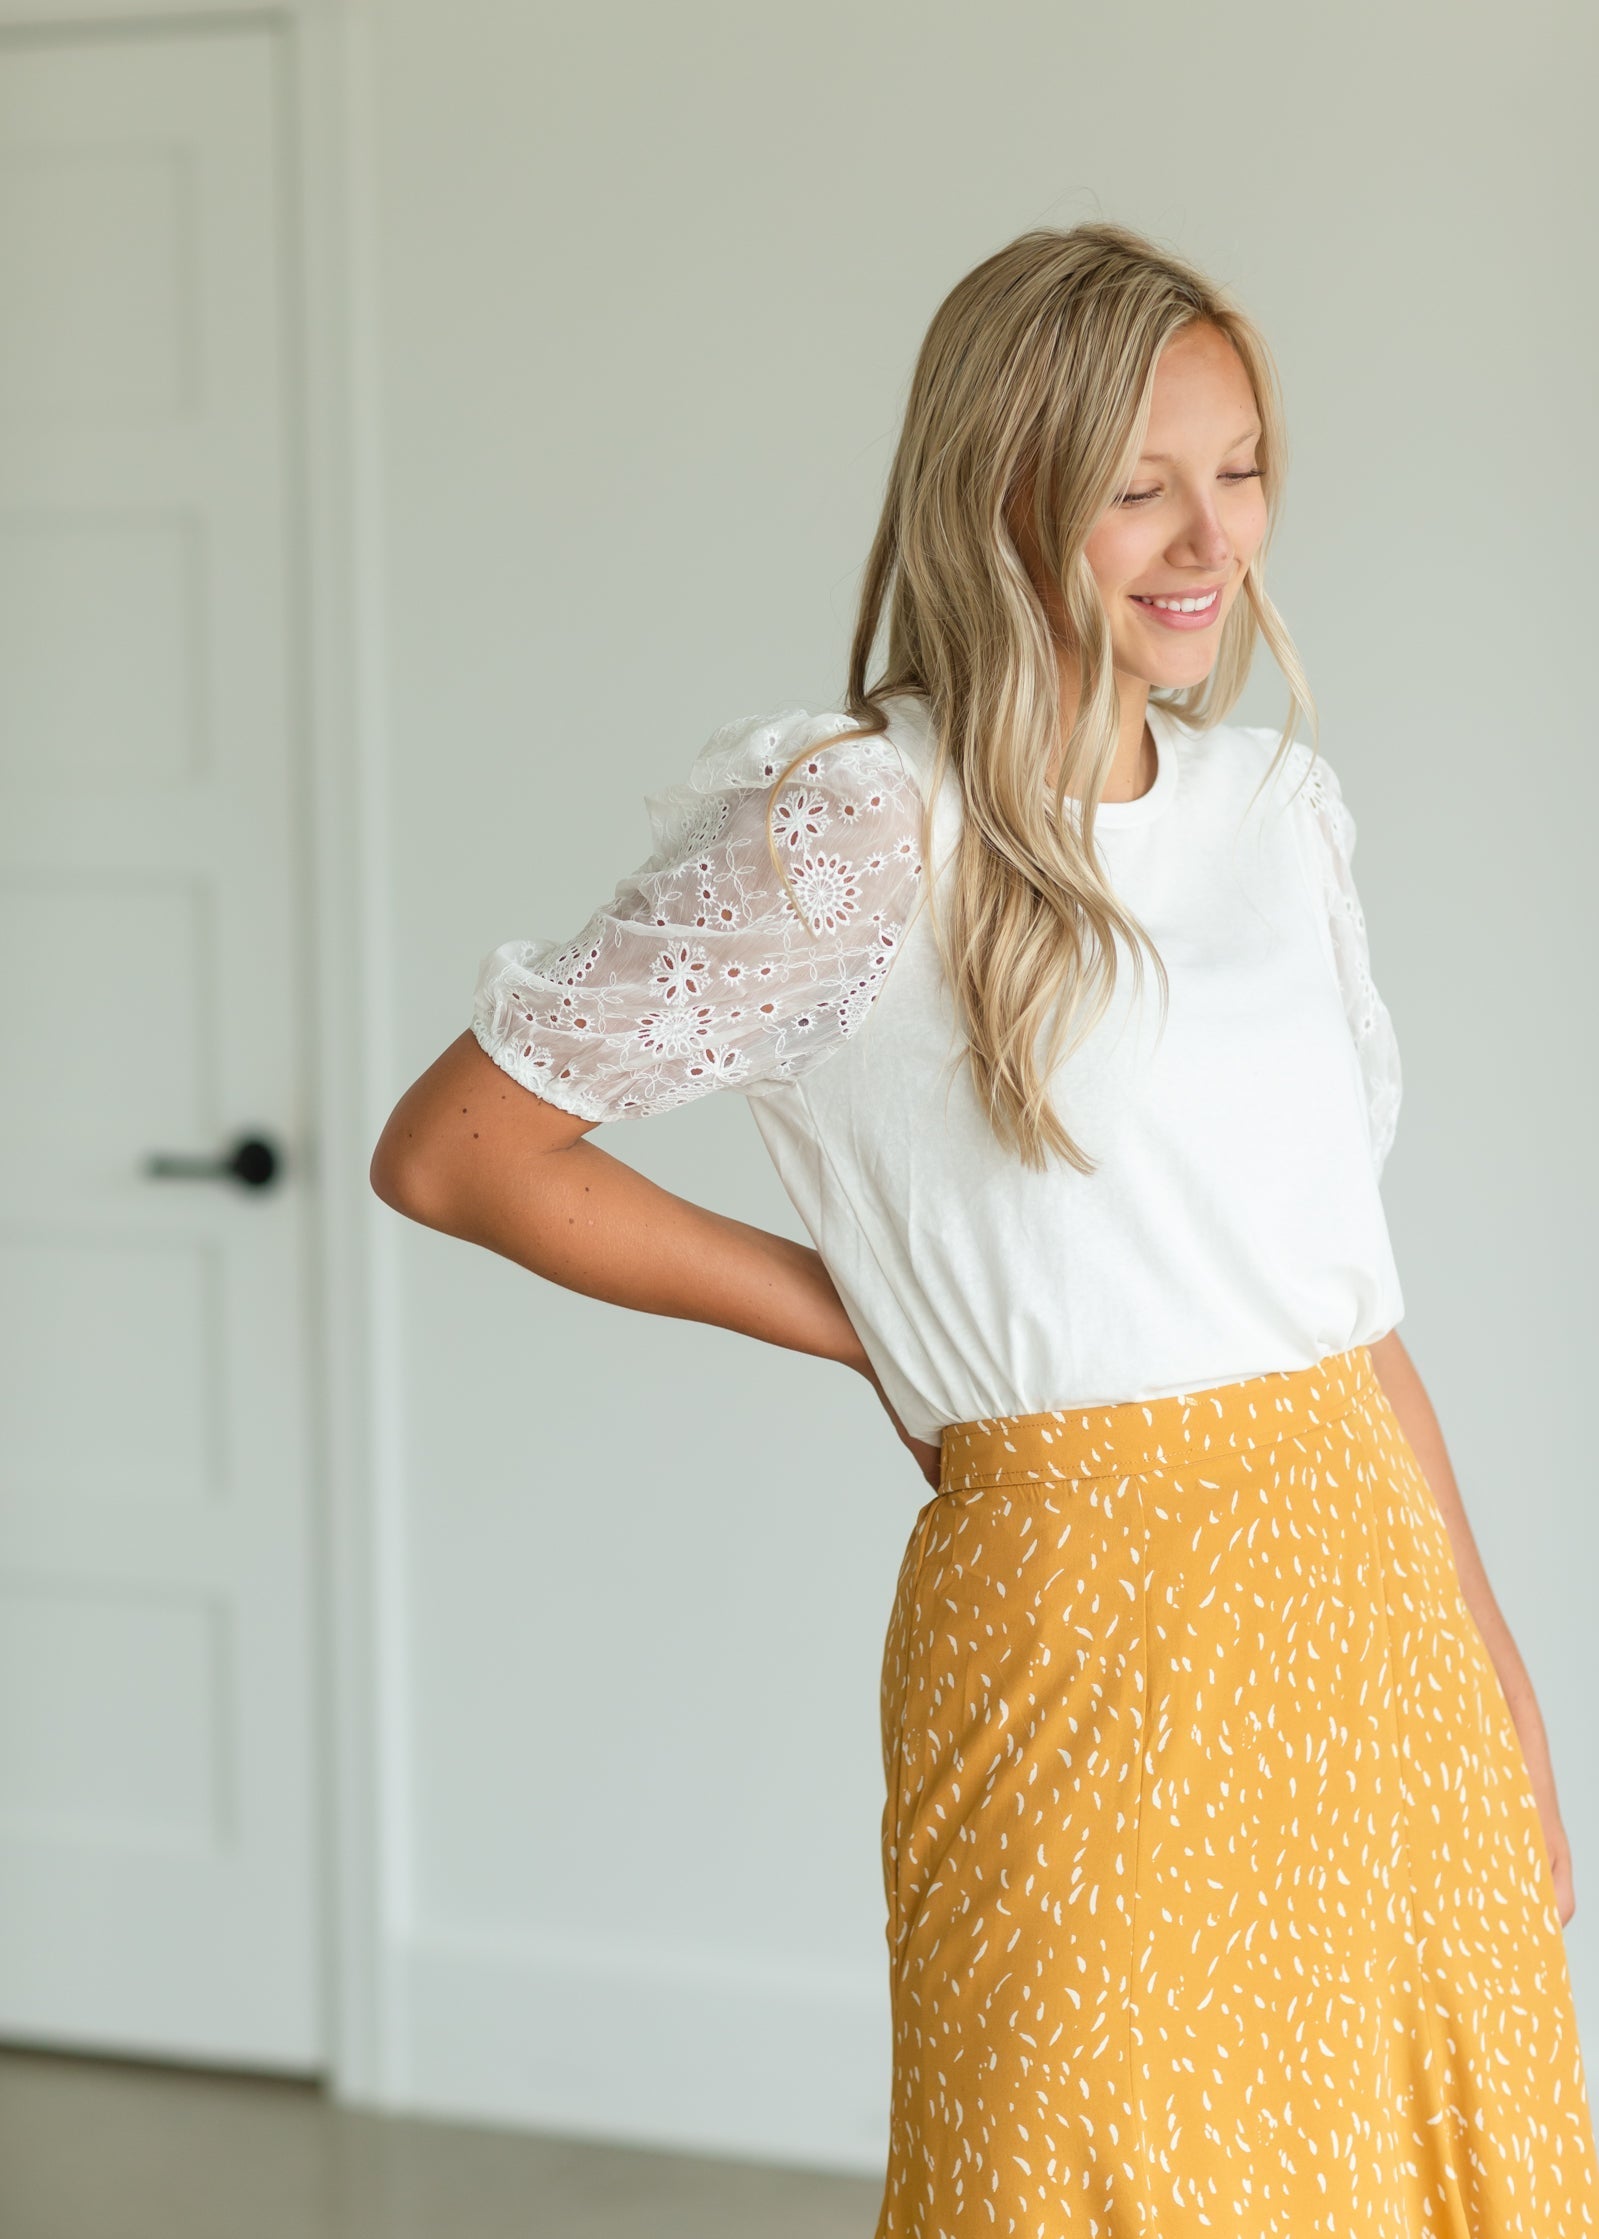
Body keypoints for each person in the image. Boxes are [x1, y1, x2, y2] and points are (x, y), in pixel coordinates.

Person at [370, 221, 1599, 2234]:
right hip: (1077, 1629)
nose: (1209, 536)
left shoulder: (1275, 821)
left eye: (1237, 466)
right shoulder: (858, 828)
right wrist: (870, 1325)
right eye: (1137, 484)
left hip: (1370, 1616)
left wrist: (1499, 1680)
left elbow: (1344, 1299)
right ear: (1003, 491)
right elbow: (459, 1152)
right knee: (1067, 2171)